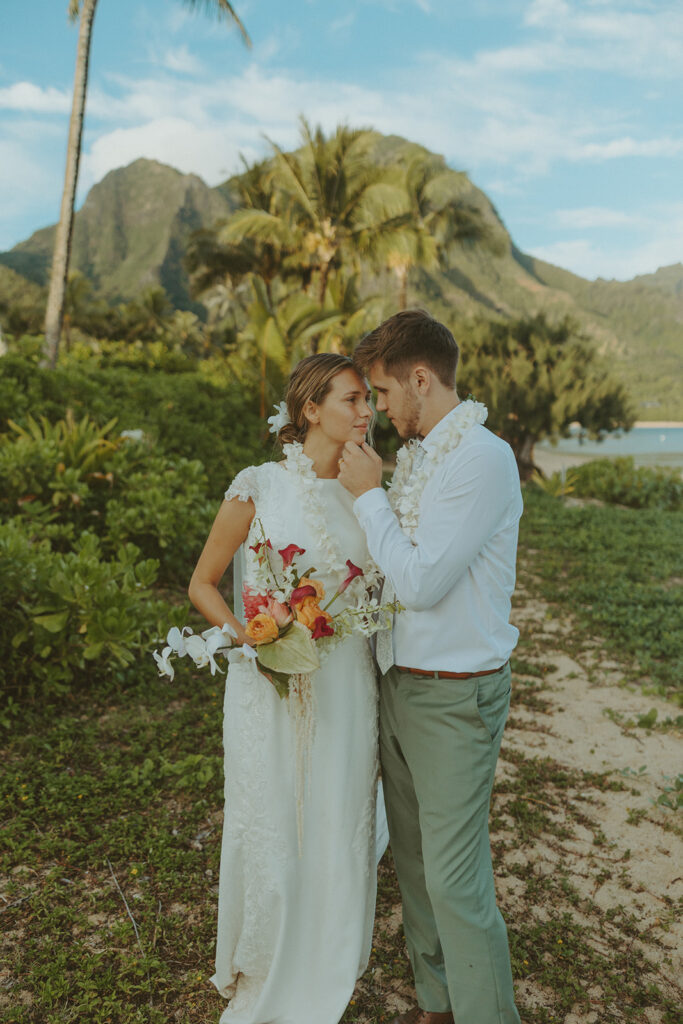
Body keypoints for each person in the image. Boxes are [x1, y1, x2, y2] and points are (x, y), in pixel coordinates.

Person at [338, 310, 523, 1024]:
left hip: (454, 698)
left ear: (421, 378)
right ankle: (437, 1003)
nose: (378, 409)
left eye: (383, 392)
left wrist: (367, 497)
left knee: (453, 879)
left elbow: (419, 583)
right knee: (413, 867)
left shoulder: (481, 457)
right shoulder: (419, 456)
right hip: (398, 684)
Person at [188, 354, 382, 1024]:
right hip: (268, 681)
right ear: (310, 410)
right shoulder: (259, 485)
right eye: (353, 400)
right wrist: (248, 636)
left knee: (336, 807)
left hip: (346, 680)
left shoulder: (372, 492)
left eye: (368, 402)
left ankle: (328, 945)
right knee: (273, 809)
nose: (366, 413)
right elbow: (202, 582)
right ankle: (269, 951)